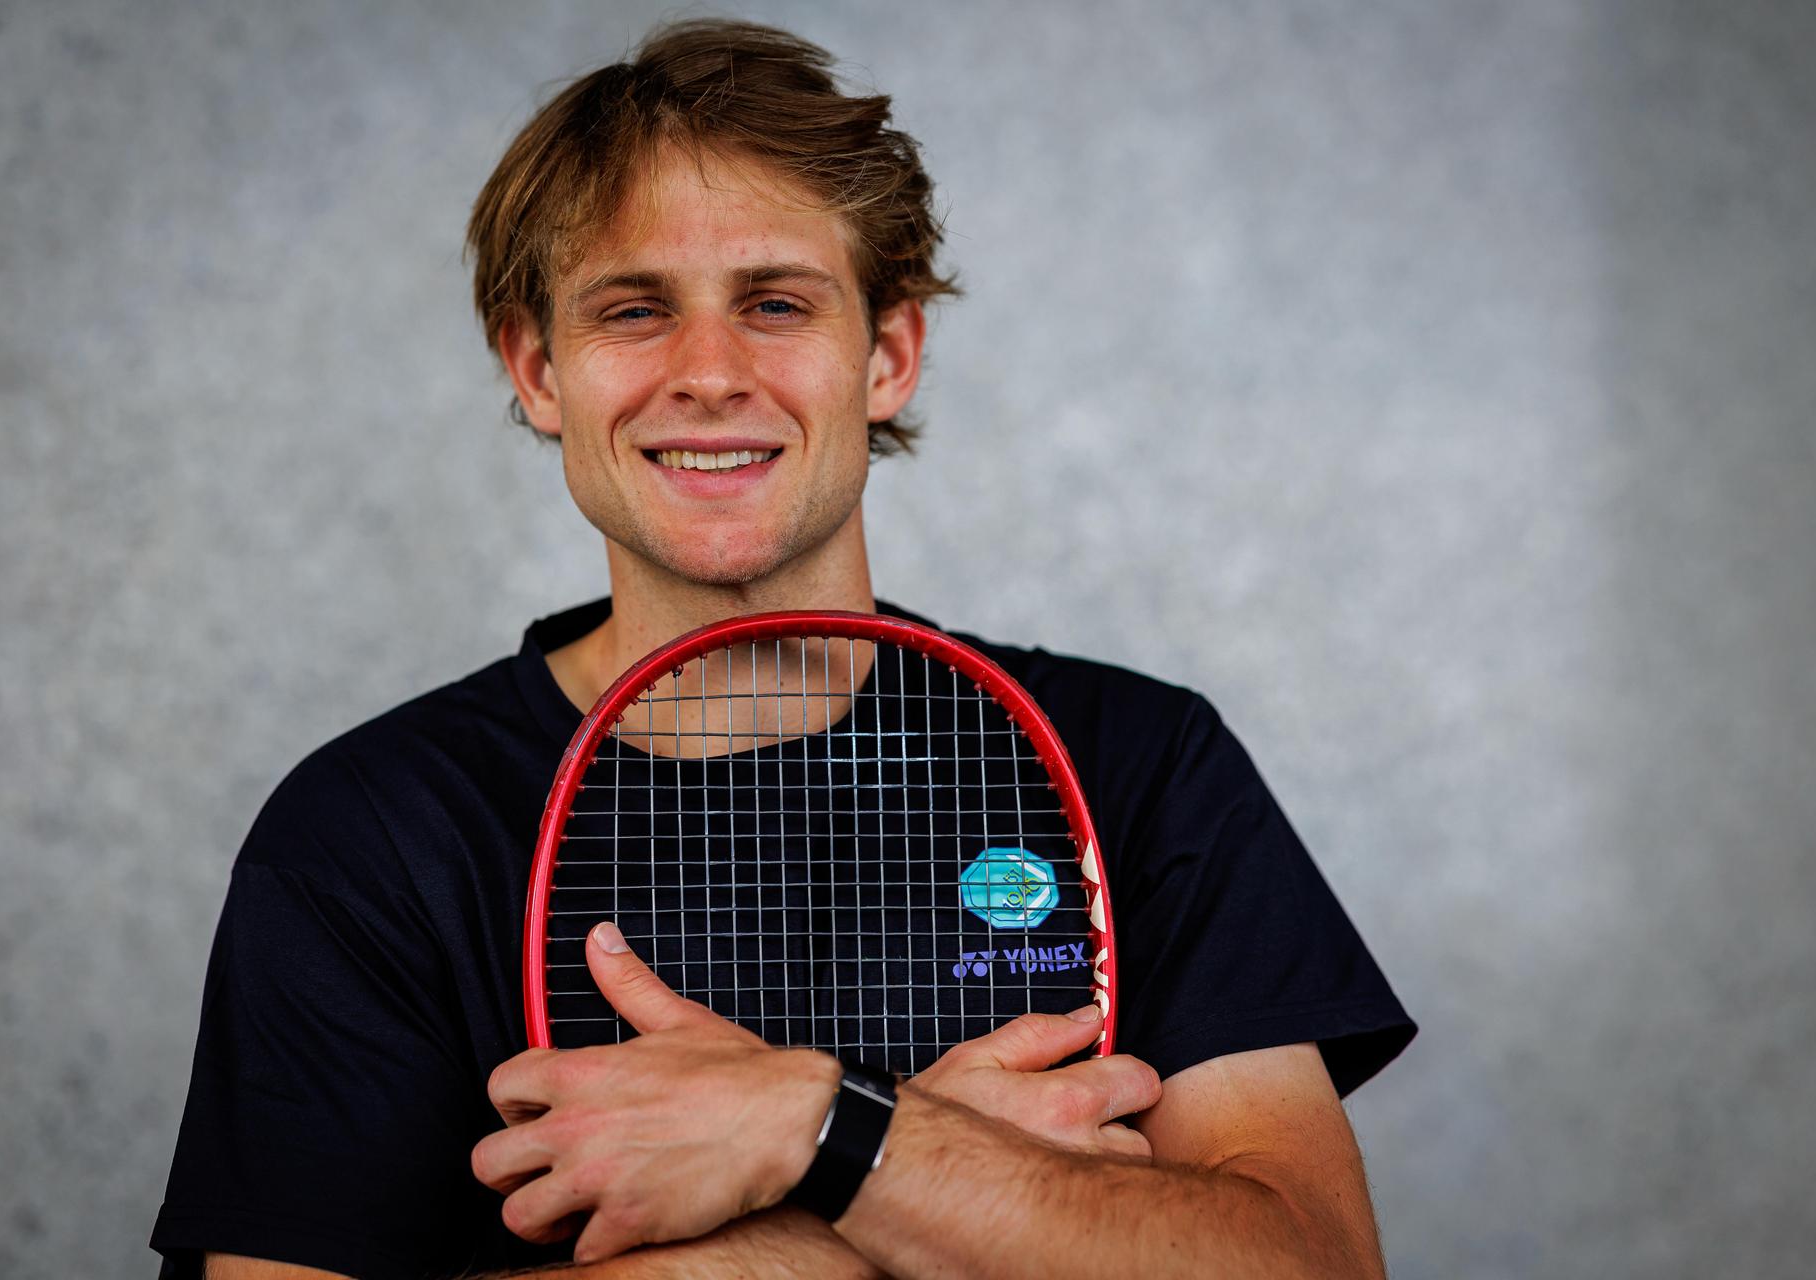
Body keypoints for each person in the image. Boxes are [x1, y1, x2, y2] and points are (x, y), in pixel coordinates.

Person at [152, 19, 1416, 1279]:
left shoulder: (1139, 760)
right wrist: (862, 1176)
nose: (709, 372)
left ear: (889, 354)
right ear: (540, 370)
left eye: (774, 302)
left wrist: (798, 1118)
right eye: (635, 309)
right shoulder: (370, 832)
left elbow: (1310, 1266)